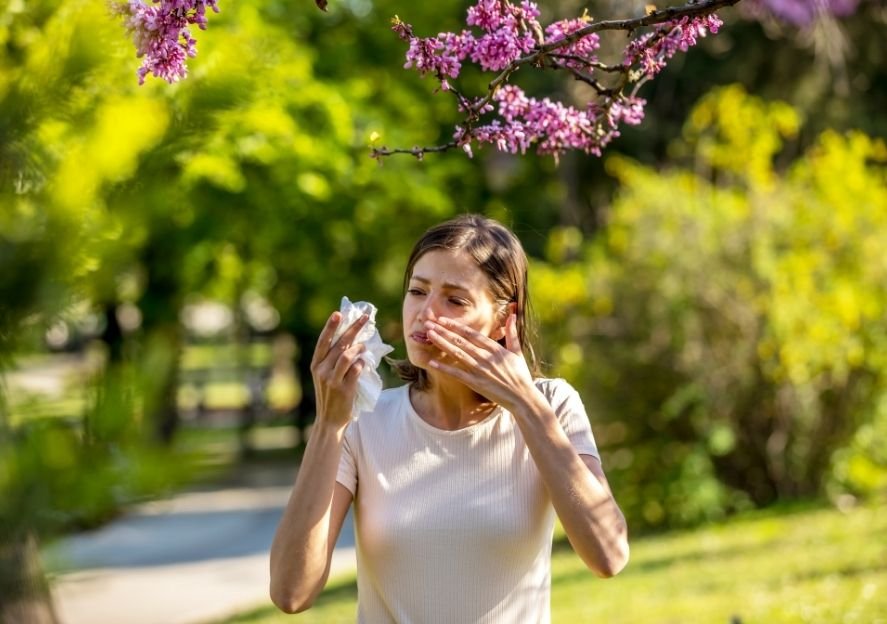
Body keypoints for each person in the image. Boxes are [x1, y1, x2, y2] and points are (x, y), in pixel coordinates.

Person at [269, 214, 629, 623]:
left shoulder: (552, 405)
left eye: (454, 299)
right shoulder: (364, 422)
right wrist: (328, 426)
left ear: (502, 319)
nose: (424, 313)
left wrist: (526, 405)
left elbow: (609, 556)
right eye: (417, 291)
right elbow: (290, 592)